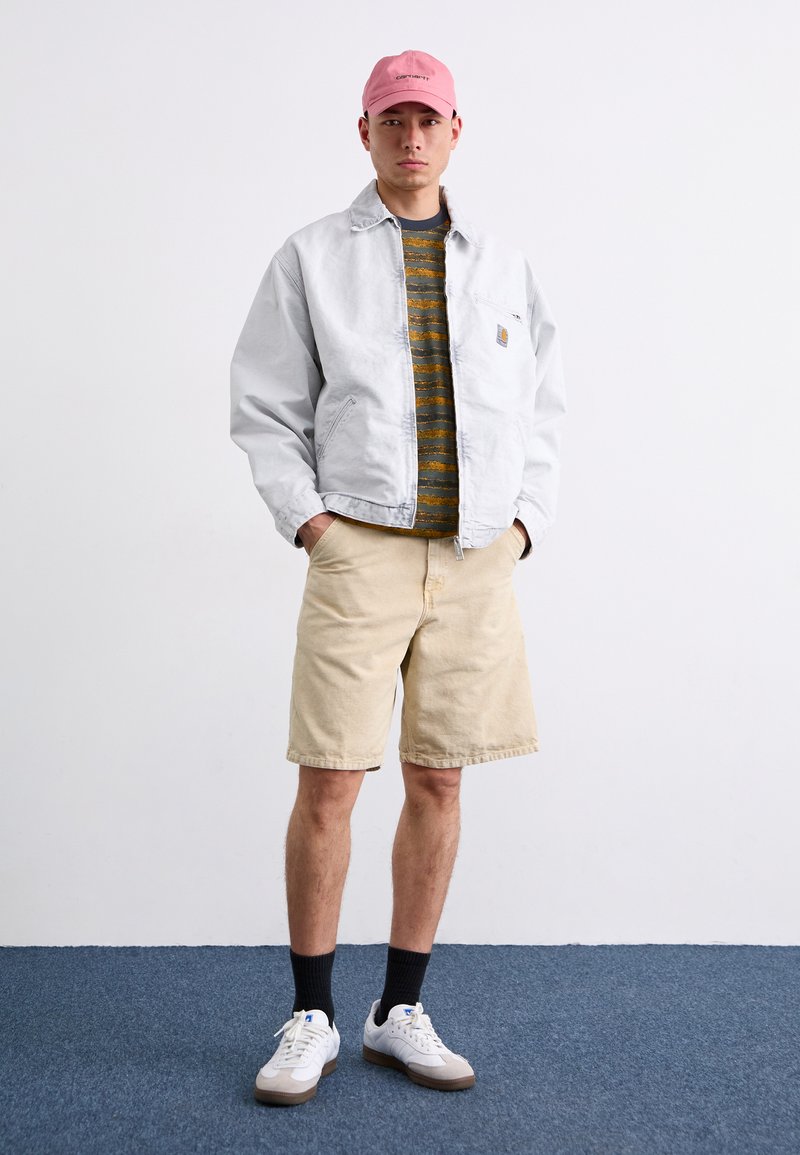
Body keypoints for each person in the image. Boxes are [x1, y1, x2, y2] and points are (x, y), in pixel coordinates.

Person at [230, 48, 567, 1106]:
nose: (411, 138)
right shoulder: (311, 257)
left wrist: (522, 527)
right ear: (365, 132)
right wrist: (312, 524)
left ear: (455, 131)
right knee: (329, 779)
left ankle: (397, 1010)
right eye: (393, 121)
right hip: (360, 548)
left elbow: (544, 408)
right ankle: (312, 1015)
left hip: (474, 558)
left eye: (428, 120)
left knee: (439, 779)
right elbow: (264, 404)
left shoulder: (502, 264)